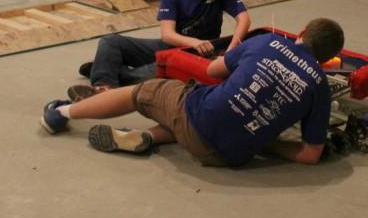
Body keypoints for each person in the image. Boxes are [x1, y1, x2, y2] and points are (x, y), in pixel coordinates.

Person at [41, 18, 344, 167]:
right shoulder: (319, 86)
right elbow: (309, 155)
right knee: (194, 117)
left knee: (144, 92)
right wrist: (268, 143)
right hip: (231, 157)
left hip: (199, 119)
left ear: (302, 32)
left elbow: (213, 72)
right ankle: (148, 137)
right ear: (327, 59)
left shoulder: (266, 42)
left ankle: (60, 113)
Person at [67, 0, 251, 101]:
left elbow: (244, 19)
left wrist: (231, 51)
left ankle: (106, 68)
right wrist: (194, 42)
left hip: (199, 55)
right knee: (109, 42)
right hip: (173, 46)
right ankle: (102, 86)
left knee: (148, 76)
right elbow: (167, 34)